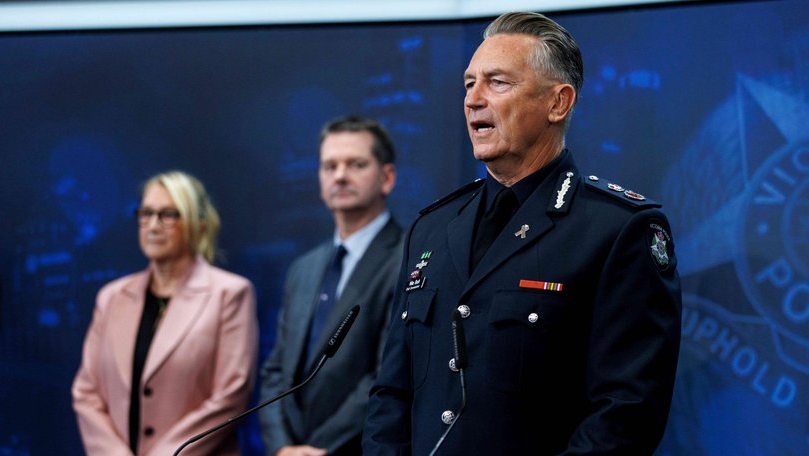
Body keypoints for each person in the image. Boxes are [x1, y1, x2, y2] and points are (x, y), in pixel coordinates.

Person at [364, 11, 682, 455]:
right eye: (468, 83)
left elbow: (627, 412)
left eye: (497, 83)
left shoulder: (617, 229)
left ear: (558, 103)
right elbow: (391, 394)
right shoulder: (432, 228)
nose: (473, 99)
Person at [72, 171, 258, 455]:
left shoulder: (229, 294)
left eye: (168, 214)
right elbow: (86, 393)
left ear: (198, 224)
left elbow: (231, 395)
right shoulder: (111, 298)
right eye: (146, 213)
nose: (153, 225)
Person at [259, 116, 404, 456]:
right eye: (329, 166)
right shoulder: (303, 268)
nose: (339, 176)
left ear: (387, 177)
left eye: (355, 164)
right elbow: (276, 371)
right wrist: (283, 447)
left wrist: (319, 449)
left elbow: (388, 373)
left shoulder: (409, 257)